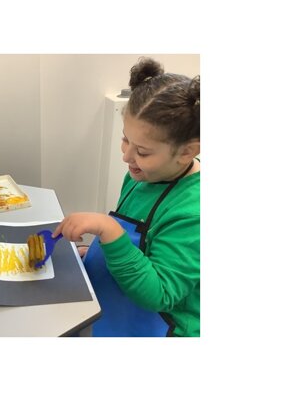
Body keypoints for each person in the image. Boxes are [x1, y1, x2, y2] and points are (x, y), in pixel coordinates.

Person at [53, 57, 200, 337]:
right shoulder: (141, 176)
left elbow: (160, 294)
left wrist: (108, 229)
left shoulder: (194, 214)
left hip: (160, 327)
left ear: (186, 152)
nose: (127, 157)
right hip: (120, 310)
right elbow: (140, 244)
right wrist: (97, 254)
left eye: (142, 152)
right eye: (125, 139)